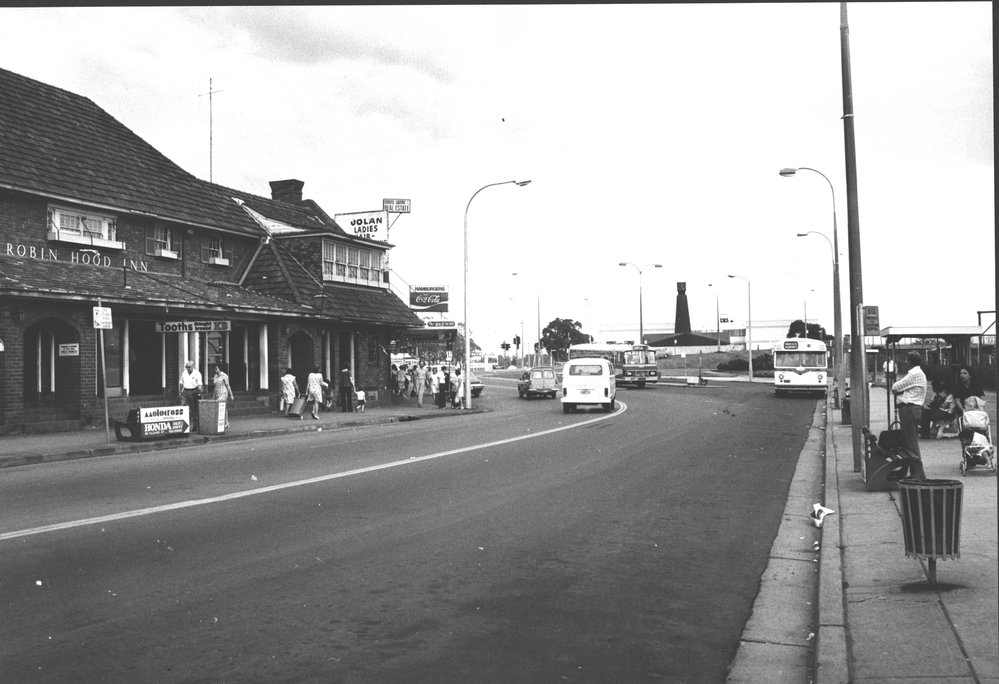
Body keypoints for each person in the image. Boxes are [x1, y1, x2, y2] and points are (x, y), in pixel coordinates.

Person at [891, 351, 927, 479]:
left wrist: (900, 392)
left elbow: (895, 387)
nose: (905, 362)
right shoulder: (917, 373)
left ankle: (918, 473)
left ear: (911, 361)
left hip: (909, 409)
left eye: (907, 360)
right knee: (908, 441)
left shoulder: (914, 373)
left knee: (911, 442)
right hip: (912, 409)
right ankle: (914, 472)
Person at [178, 360, 203, 432]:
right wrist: (180, 392)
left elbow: (199, 385)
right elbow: (181, 383)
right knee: (183, 408)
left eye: (189, 367)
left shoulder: (197, 373)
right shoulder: (184, 373)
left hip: (193, 391)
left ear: (192, 367)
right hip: (185, 391)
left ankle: (195, 426)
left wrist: (198, 393)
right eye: (186, 367)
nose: (187, 369)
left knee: (194, 410)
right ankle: (185, 426)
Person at [213, 362, 233, 429]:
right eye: (214, 368)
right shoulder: (215, 376)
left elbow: (228, 385)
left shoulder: (224, 375)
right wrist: (213, 396)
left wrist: (231, 395)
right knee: (223, 408)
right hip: (217, 393)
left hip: (223, 393)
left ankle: (225, 422)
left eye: (216, 368)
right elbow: (215, 387)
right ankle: (225, 422)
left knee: (221, 407)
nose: (215, 370)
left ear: (219, 369)